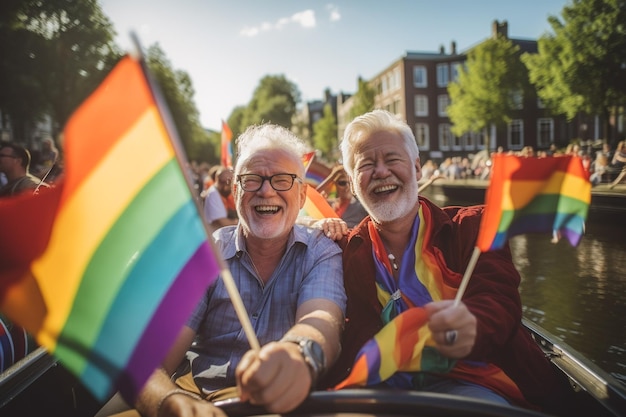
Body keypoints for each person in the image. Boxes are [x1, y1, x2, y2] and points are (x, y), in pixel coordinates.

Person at [320, 110, 578, 416]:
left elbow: (499, 300)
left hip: (479, 384)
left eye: (392, 159)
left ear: (416, 168)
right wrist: (316, 230)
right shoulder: (344, 250)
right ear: (352, 182)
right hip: (385, 390)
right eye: (366, 165)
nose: (381, 171)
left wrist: (472, 324)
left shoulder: (474, 227)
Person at [104, 124, 346, 417]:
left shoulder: (321, 251)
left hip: (281, 404)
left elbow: (321, 321)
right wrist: (168, 402)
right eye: (252, 179)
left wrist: (299, 354)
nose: (266, 190)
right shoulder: (206, 253)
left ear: (302, 194)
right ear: (235, 190)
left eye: (282, 180)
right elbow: (153, 358)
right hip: (193, 395)